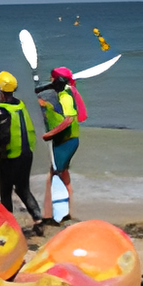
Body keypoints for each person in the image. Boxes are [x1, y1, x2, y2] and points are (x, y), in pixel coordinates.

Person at [0, 70, 44, 236]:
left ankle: (8, 226)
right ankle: (38, 219)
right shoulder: (20, 104)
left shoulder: (0, 111)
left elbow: (4, 134)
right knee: (23, 188)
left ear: (1, 92)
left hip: (11, 156)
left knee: (6, 190)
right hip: (26, 153)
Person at [38, 66, 87, 223]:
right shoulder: (63, 93)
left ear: (57, 80)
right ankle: (67, 212)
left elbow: (68, 119)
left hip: (66, 141)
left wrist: (50, 134)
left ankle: (49, 215)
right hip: (67, 140)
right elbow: (54, 109)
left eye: (52, 78)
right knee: (62, 175)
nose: (50, 80)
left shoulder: (65, 96)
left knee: (53, 176)